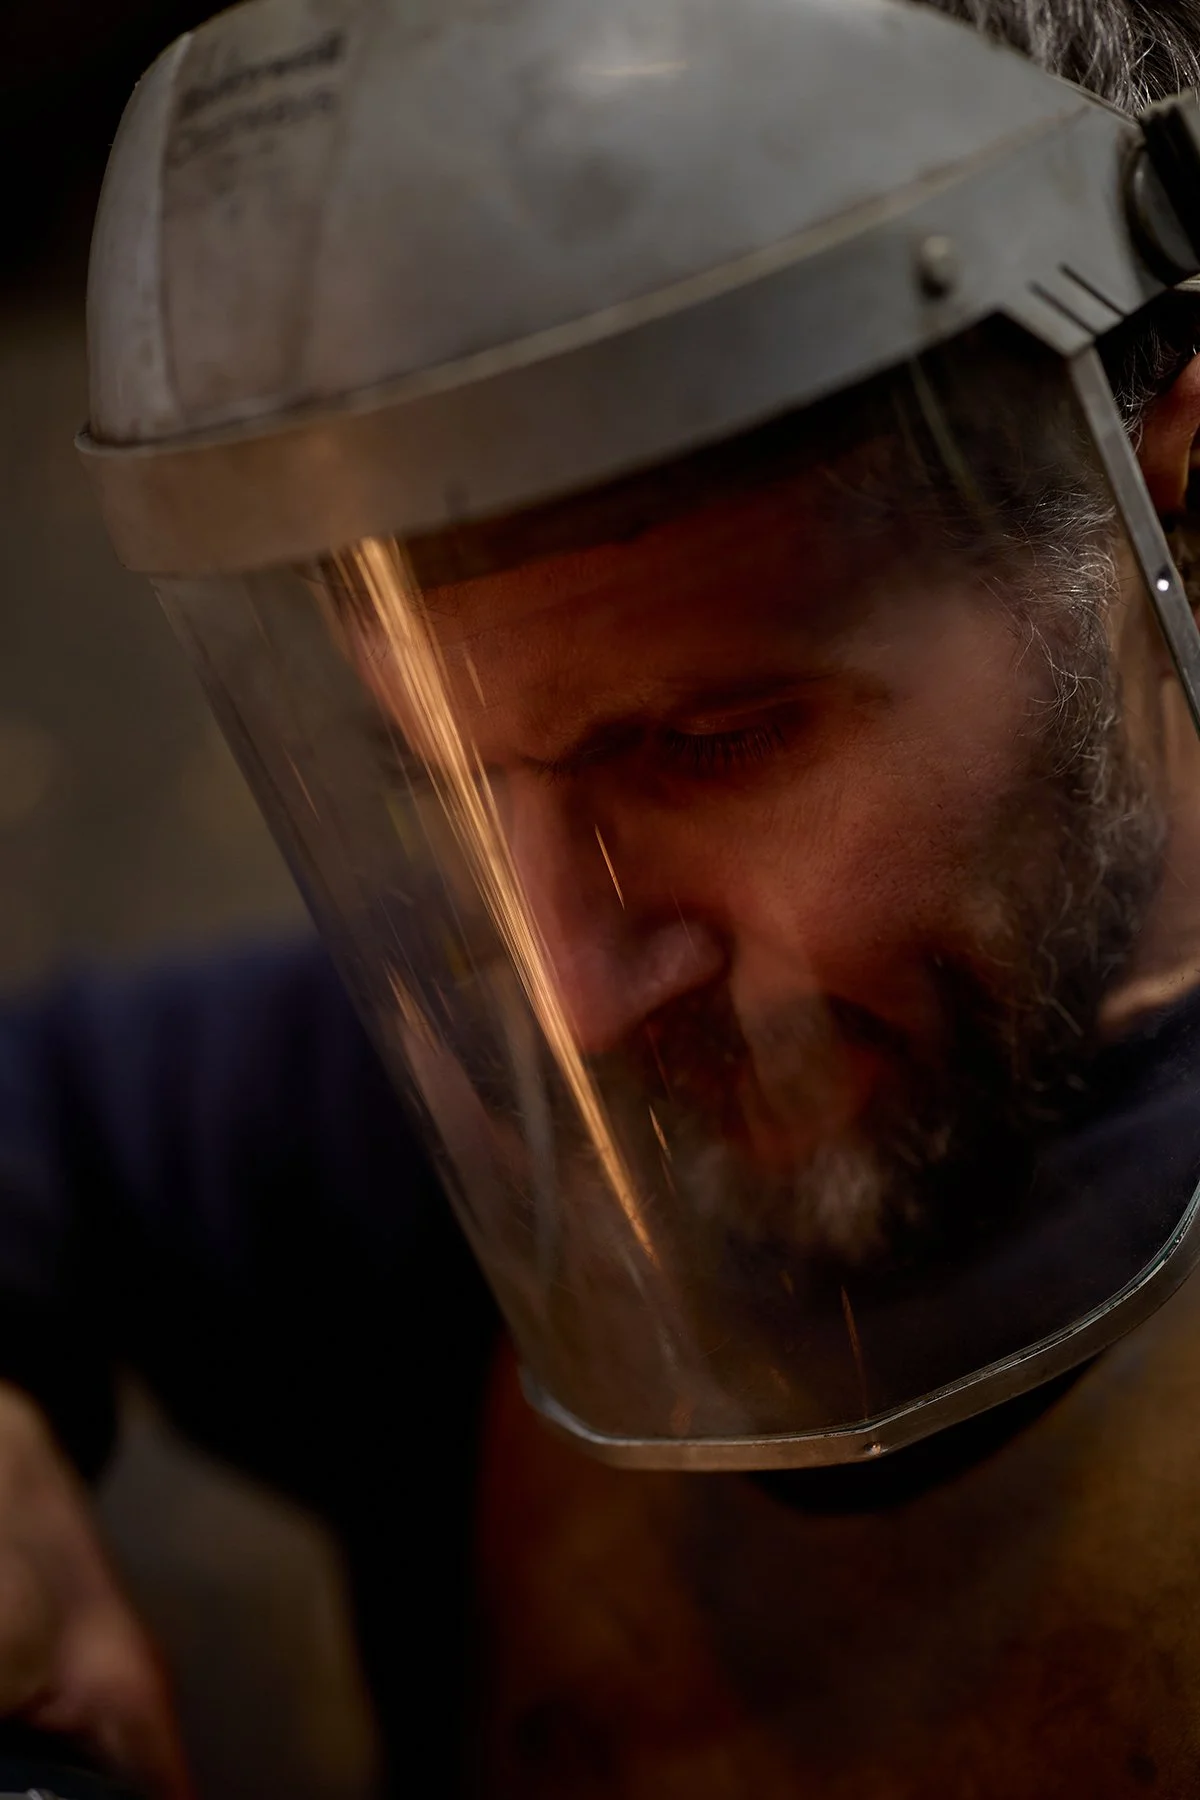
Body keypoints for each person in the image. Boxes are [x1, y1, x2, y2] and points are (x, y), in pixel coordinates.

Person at [9, 0, 1200, 1792]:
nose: (568, 993)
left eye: (711, 744)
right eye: (447, 784)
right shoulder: (477, 1130)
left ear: (1166, 486)